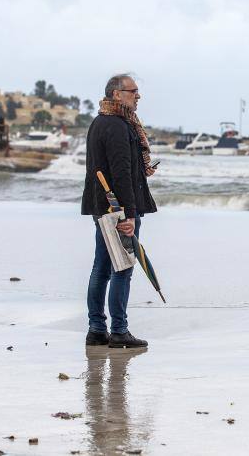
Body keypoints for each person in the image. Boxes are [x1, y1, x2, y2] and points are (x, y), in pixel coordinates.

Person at [81, 74, 157, 348]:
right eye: (132, 91)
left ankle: (96, 329)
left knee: (101, 267)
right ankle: (119, 331)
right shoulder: (115, 125)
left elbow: (118, 167)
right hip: (116, 208)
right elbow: (121, 173)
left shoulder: (101, 122)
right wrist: (129, 215)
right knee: (121, 268)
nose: (138, 96)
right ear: (116, 94)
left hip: (103, 205)